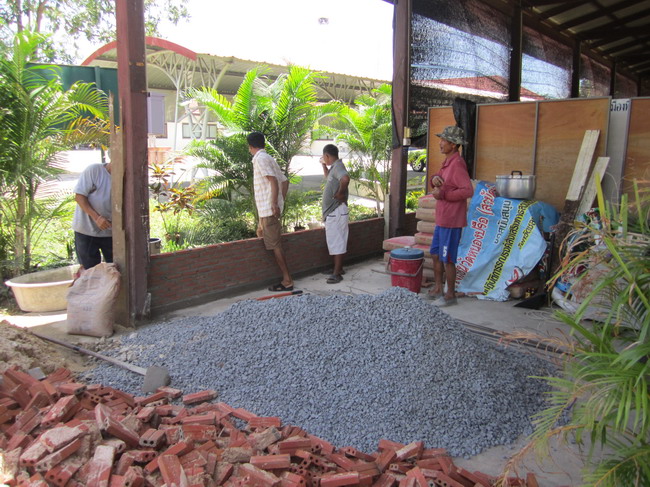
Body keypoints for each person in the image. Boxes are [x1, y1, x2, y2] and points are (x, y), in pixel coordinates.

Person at [428, 126, 474, 307]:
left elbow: (467, 190)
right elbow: (438, 178)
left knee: (447, 258)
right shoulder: (448, 162)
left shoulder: (457, 164)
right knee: (435, 254)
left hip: (451, 220)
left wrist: (445, 195)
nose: (440, 143)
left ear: (453, 145)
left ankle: (450, 294)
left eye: (443, 141)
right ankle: (438, 288)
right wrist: (434, 180)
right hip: (443, 218)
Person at [248, 131, 294, 291]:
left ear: (250, 147)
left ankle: (287, 280)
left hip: (268, 210)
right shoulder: (268, 158)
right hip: (265, 211)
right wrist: (280, 201)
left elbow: (273, 180)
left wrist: (274, 203)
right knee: (260, 234)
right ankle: (280, 277)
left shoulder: (260, 159)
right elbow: (285, 181)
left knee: (275, 245)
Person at [72, 159, 113, 270]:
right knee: (89, 272)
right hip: (86, 231)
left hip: (111, 233)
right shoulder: (94, 171)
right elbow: (79, 197)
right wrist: (97, 218)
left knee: (115, 271)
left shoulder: (128, 178)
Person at [320, 144, 350, 284]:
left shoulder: (338, 167)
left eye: (324, 158)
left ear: (327, 155)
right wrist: (323, 166)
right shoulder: (335, 167)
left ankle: (337, 273)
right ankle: (338, 268)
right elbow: (329, 178)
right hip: (335, 211)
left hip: (336, 211)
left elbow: (345, 178)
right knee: (336, 241)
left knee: (337, 241)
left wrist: (340, 193)